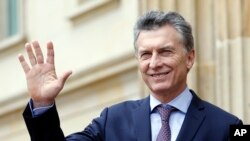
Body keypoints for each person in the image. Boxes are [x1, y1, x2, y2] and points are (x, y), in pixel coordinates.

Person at [19, 10, 242, 141]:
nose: (154, 63)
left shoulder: (229, 126)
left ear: (190, 58)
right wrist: (42, 103)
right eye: (146, 54)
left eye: (165, 51)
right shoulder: (112, 121)